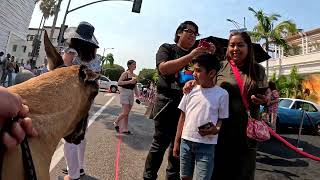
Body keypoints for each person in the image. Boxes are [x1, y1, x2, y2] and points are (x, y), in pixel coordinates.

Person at [184, 31, 268, 180]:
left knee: (243, 173)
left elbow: (267, 96)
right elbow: (204, 84)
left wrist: (263, 99)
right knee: (217, 171)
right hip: (220, 129)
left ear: (248, 47)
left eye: (240, 45)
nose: (235, 48)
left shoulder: (258, 70)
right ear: (227, 48)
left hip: (246, 133)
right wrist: (192, 83)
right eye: (232, 45)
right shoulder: (220, 66)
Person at [143, 20, 214, 180]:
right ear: (179, 33)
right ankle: (149, 177)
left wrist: (209, 56)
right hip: (167, 102)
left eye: (195, 33)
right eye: (189, 31)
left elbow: (207, 78)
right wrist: (191, 56)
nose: (192, 35)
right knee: (159, 144)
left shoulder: (199, 56)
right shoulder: (167, 48)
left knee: (179, 147)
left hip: (190, 106)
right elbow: (163, 68)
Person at [173, 54, 229, 180]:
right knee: (184, 177)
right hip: (185, 142)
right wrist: (177, 142)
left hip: (207, 145)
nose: (194, 74)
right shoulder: (190, 90)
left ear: (211, 73)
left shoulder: (222, 94)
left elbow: (221, 119)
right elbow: (182, 117)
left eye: (198, 71)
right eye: (194, 70)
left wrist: (217, 129)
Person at [61, 21, 101, 180]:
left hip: (72, 98)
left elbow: (61, 70)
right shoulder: (95, 58)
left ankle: (73, 174)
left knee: (69, 137)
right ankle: (80, 167)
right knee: (81, 135)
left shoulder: (71, 52)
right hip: (87, 99)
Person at [113, 60, 139, 134]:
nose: (135, 66)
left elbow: (135, 87)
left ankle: (125, 129)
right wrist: (130, 81)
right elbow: (119, 82)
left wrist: (138, 96)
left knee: (127, 113)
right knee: (125, 112)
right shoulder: (125, 73)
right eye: (134, 64)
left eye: (135, 64)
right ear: (129, 65)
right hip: (124, 93)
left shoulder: (134, 75)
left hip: (131, 93)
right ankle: (116, 122)